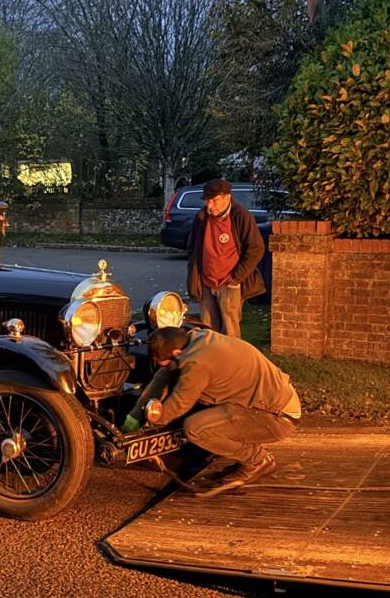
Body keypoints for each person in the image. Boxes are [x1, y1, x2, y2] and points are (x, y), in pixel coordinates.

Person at [122, 326, 301, 495]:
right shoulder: (194, 339)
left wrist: (152, 424)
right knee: (200, 411)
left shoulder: (198, 363)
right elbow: (161, 378)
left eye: (165, 361)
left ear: (176, 354)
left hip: (277, 417)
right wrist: (135, 415)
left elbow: (180, 403)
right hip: (265, 404)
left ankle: (257, 460)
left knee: (195, 428)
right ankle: (248, 454)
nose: (164, 366)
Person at [186, 178, 266, 339]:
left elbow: (256, 249)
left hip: (230, 284)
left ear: (227, 197)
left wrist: (236, 278)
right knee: (208, 330)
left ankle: (233, 361)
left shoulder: (241, 216)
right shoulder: (202, 217)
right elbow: (192, 247)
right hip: (206, 283)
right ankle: (211, 360)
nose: (210, 205)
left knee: (230, 331)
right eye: (207, 201)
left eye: (214, 201)